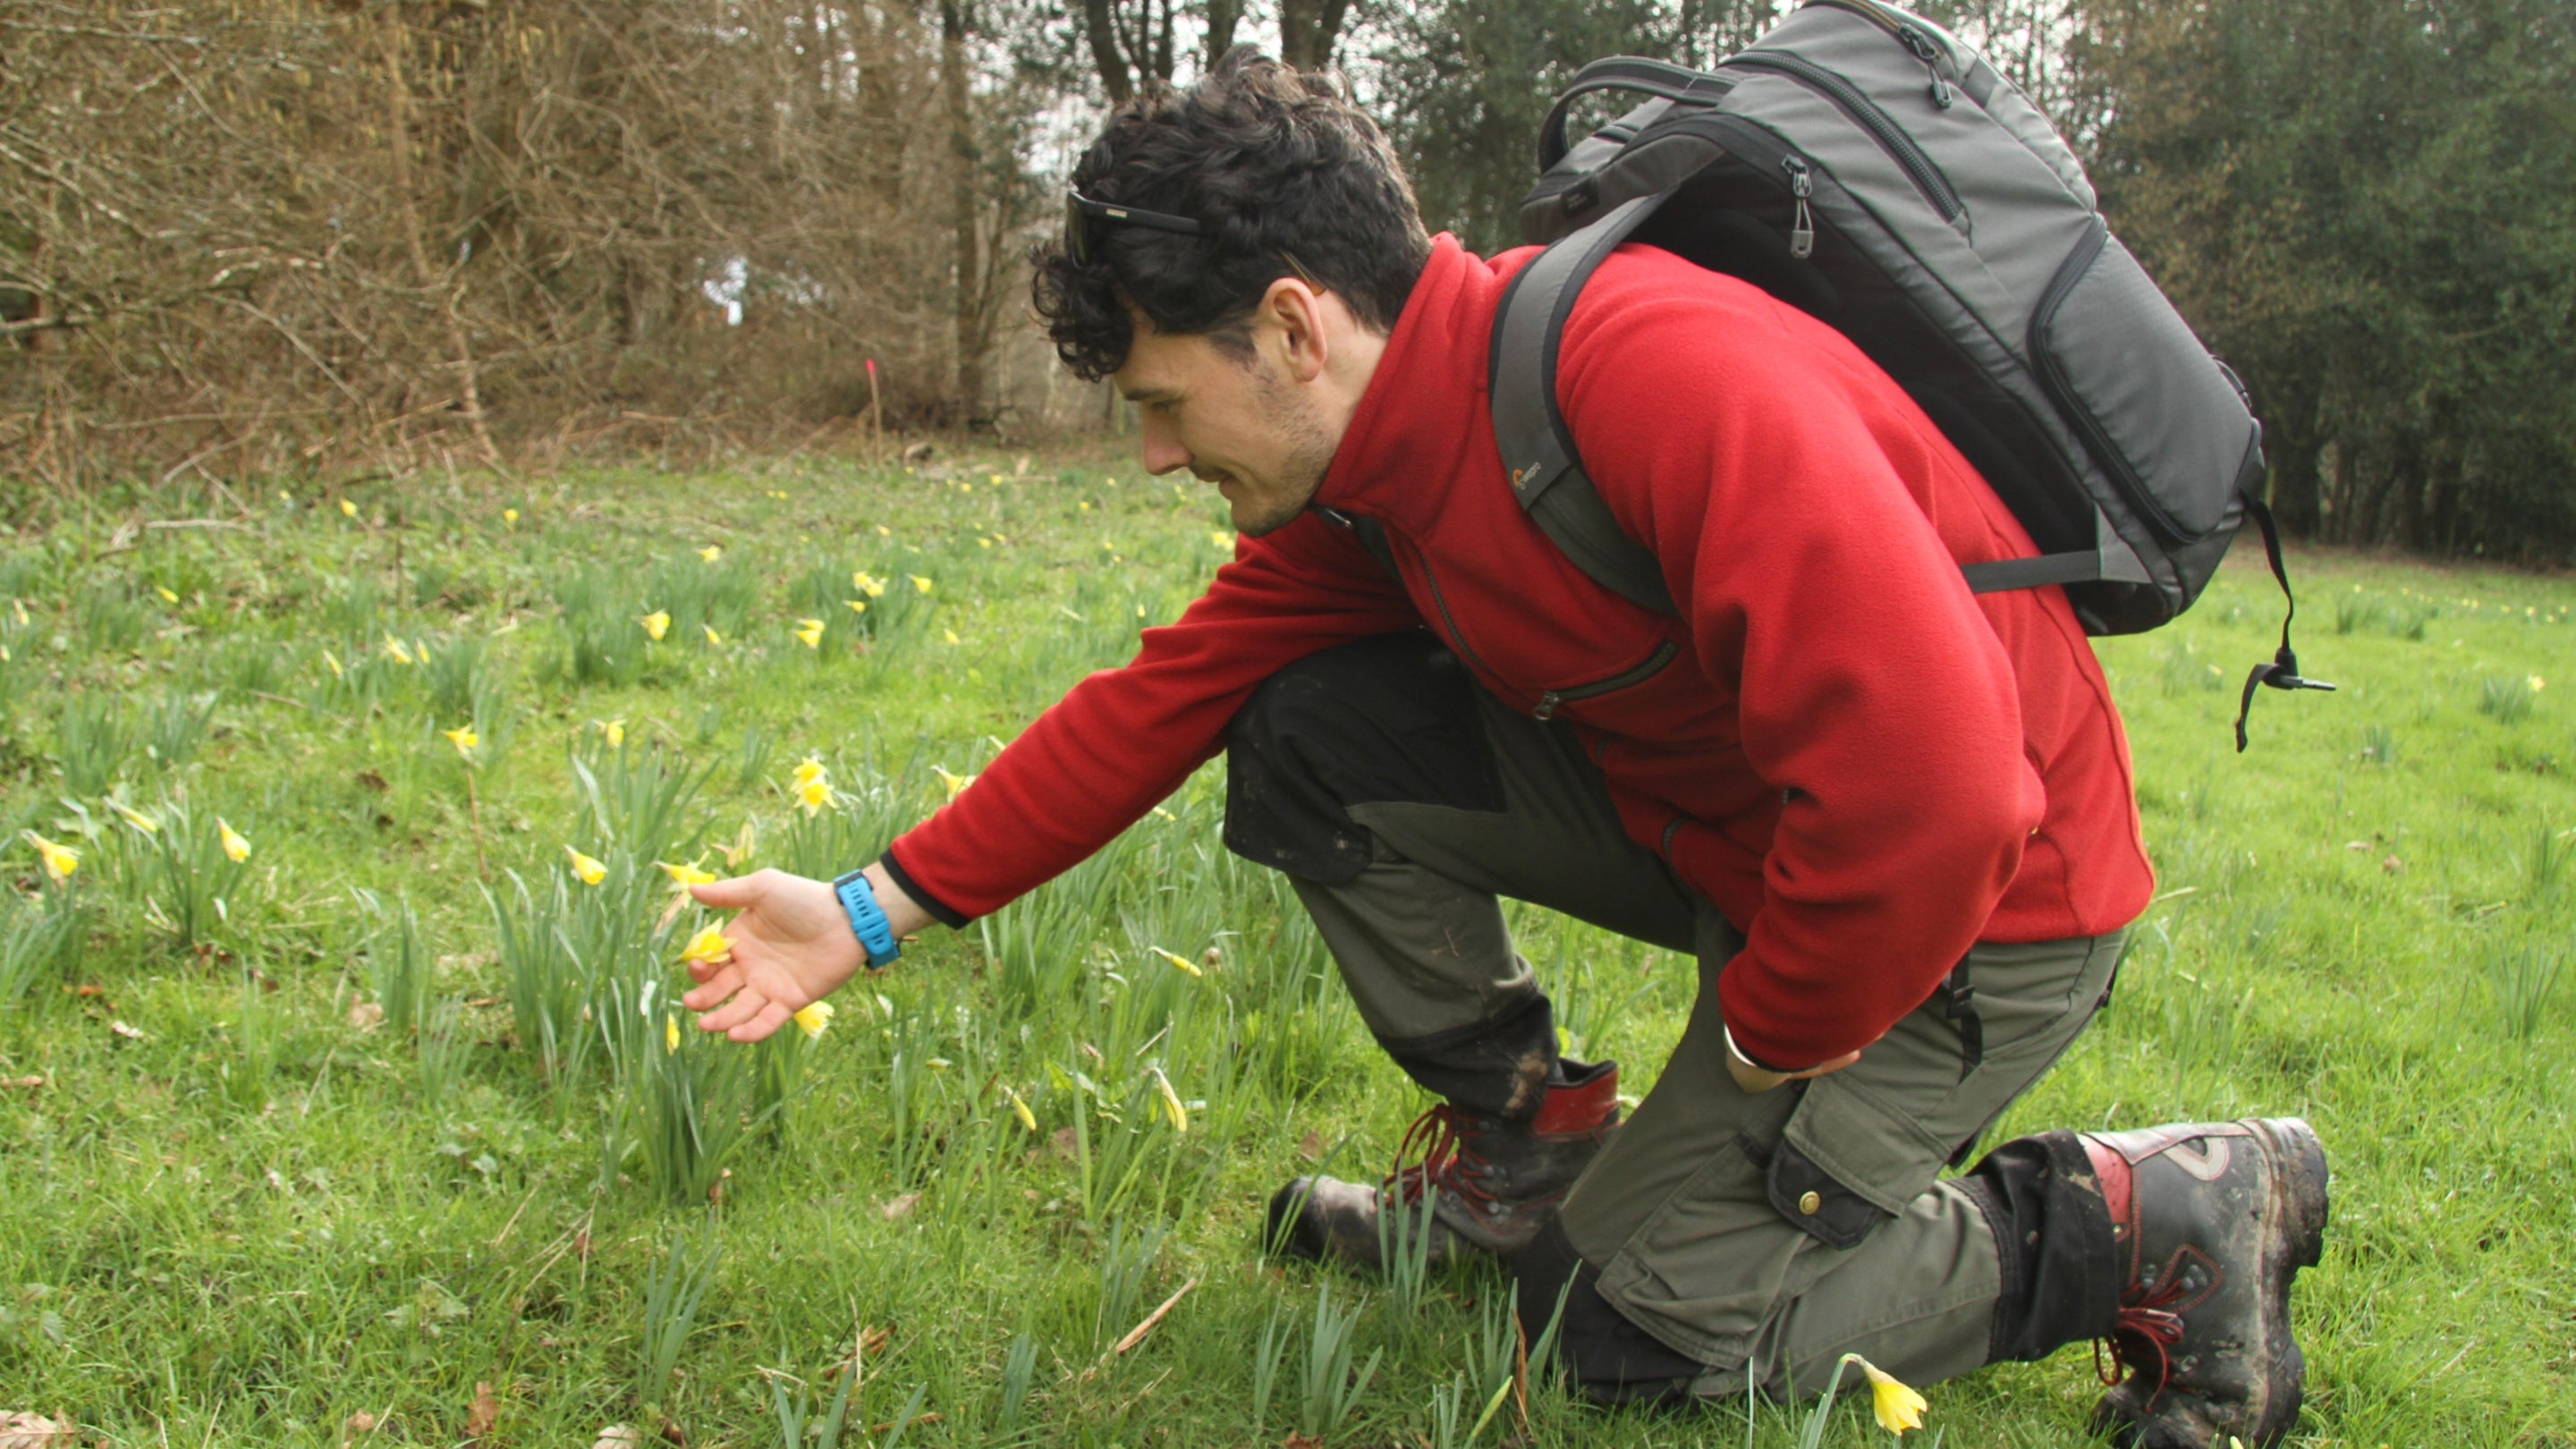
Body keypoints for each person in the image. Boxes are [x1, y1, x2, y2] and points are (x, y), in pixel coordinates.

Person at [676, 49, 2326, 1449]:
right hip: (1738, 848)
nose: (1161, 456)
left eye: (1168, 404)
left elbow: (1950, 797)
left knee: (1637, 1337)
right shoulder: (1369, 485)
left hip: (1973, 913)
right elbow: (1161, 698)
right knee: (1311, 731)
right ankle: (1531, 1167)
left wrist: (1758, 1044)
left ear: (1296, 328)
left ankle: (2146, 1223)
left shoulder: (1653, 372)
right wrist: (871, 909)